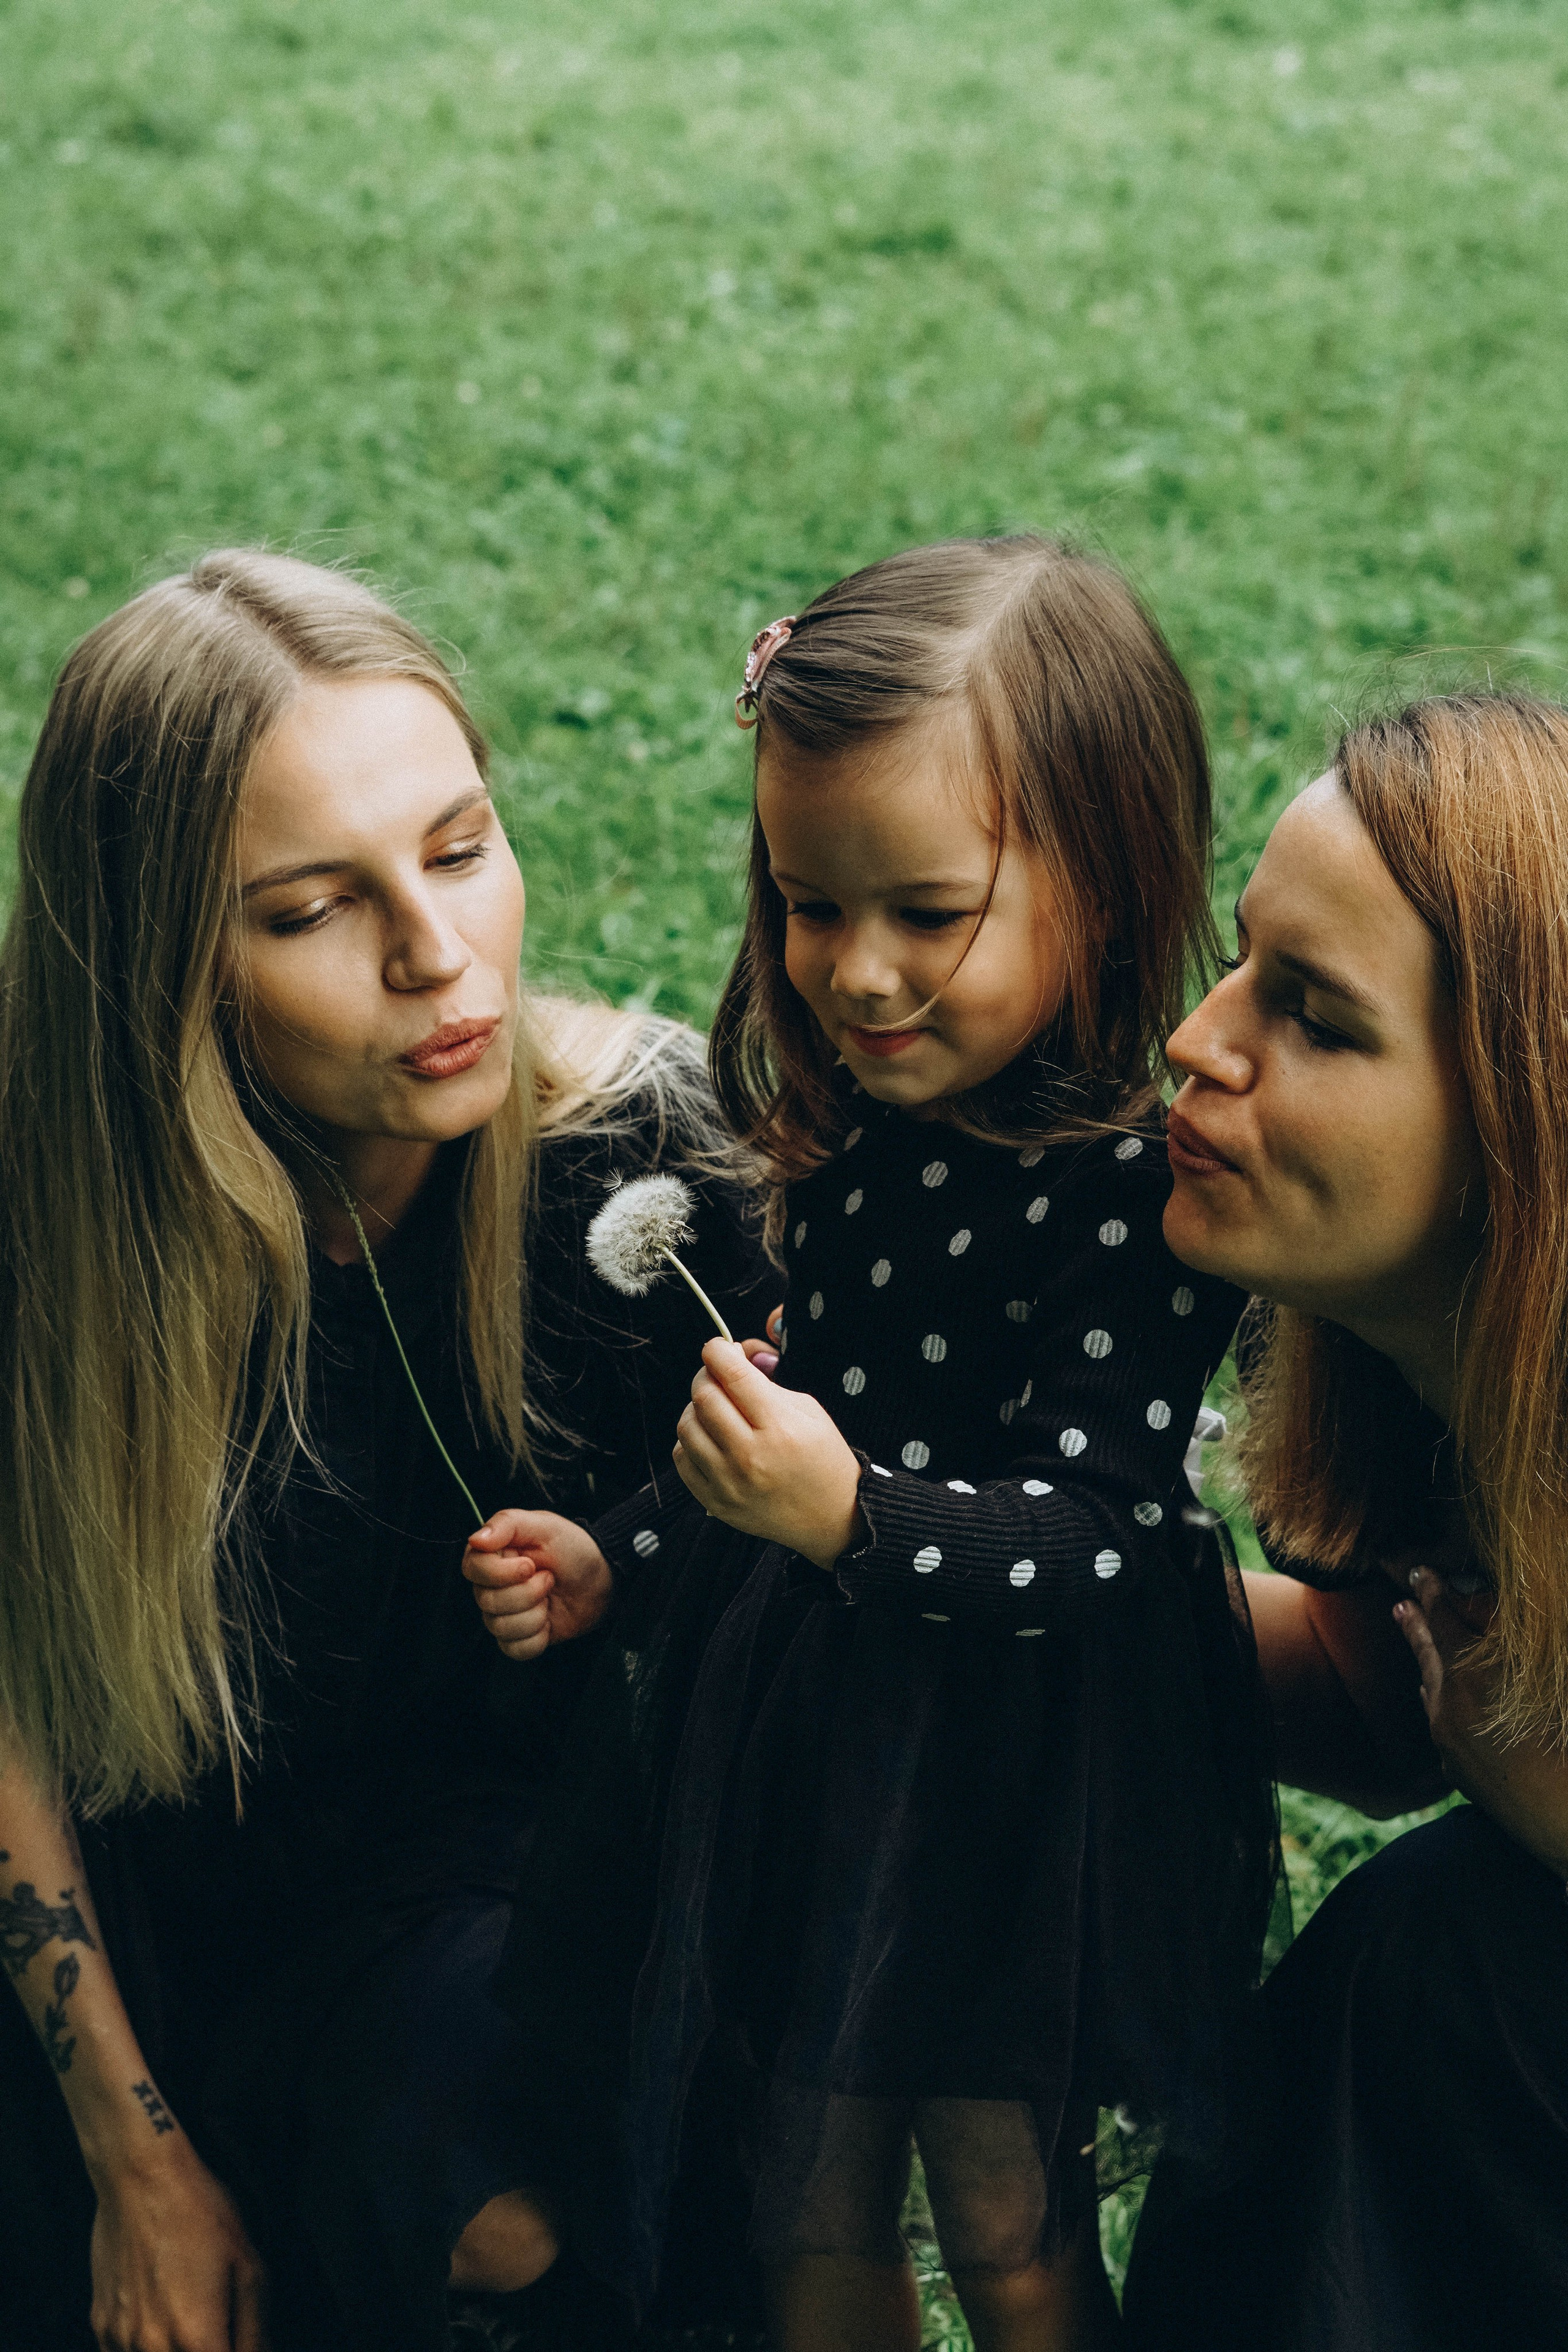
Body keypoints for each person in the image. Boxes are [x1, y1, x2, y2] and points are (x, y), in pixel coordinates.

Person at [466, 538, 1280, 2352]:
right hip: (817, 1758)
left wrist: (847, 1513)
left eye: (930, 911)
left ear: (1107, 879)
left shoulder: (1135, 1199)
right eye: (809, 904)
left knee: (1004, 2209)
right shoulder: (852, 1136)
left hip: (1019, 1790)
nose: (858, 971)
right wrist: (620, 1549)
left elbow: (1099, 1533)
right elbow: (792, 1420)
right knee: (803, 2185)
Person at [0, 551, 770, 2352]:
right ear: (162, 970)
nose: (438, 955)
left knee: (500, 2205)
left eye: (460, 846)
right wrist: (135, 2158)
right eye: (310, 910)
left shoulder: (642, 1170)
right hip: (133, 1907)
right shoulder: (50, 1234)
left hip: (481, 1894)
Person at [1123, 691, 1568, 2348]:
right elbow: (1387, 1710)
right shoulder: (1358, 1337)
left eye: (1313, 1017)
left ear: (1523, 1120)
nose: (1200, 1040)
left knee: (1449, 1953)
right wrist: (938, 1544)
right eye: (1239, 963)